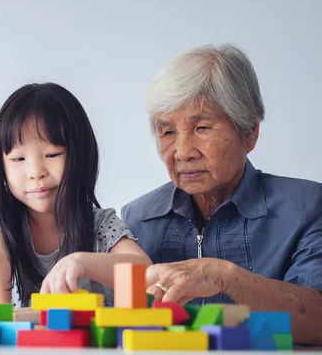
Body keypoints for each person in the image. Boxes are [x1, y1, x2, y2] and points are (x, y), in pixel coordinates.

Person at [122, 44, 322, 345]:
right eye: (168, 132)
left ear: (250, 131)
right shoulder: (137, 219)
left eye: (202, 127)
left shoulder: (306, 207)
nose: (183, 153)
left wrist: (224, 276)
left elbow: (317, 321)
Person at [0, 83, 151, 308]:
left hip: (94, 341)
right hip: (26, 341)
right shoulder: (1, 217)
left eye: (52, 154)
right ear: (2, 166)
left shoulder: (101, 224)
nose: (36, 172)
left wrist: (81, 262)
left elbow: (146, 271)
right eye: (19, 159)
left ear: (81, 157)